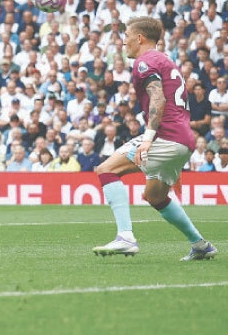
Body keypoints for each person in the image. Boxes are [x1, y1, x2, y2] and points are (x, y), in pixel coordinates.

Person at [92, 17, 216, 261]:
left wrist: (148, 139)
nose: (123, 41)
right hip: (183, 139)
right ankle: (201, 246)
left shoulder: (144, 62)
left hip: (164, 136)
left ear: (139, 38)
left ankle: (125, 237)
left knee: (106, 169)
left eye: (126, 35)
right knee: (155, 196)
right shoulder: (165, 61)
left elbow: (158, 100)